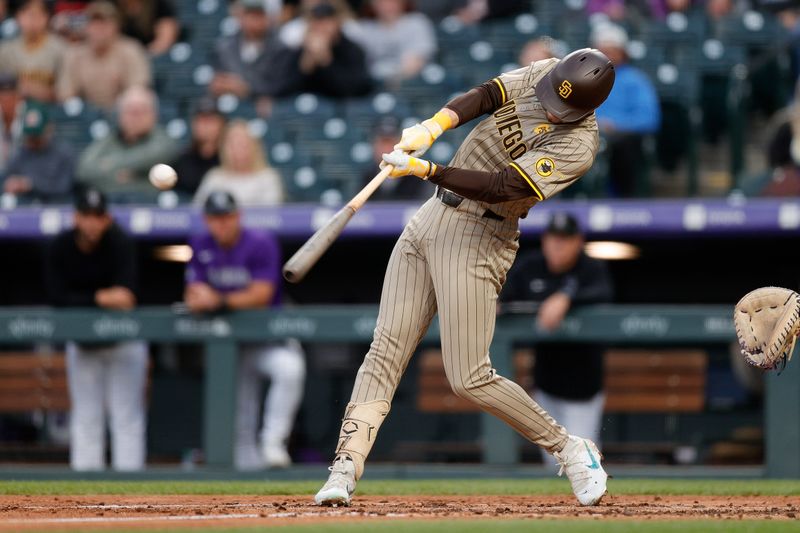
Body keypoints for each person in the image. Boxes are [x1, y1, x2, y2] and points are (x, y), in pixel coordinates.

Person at [314, 48, 616, 507]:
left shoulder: (578, 146)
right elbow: (487, 94)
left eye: (563, 106)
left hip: (481, 234)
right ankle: (345, 467)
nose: (552, 106)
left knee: (469, 376)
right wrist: (434, 126)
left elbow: (503, 187)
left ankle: (571, 448)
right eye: (552, 95)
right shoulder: (543, 72)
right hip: (431, 216)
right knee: (385, 349)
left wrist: (427, 168)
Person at [185, 190, 306, 469]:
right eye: (215, 218)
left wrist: (218, 299)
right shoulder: (200, 244)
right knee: (240, 412)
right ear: (207, 220)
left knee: (290, 370)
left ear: (237, 216)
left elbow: (261, 294)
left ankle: (273, 442)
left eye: (227, 217)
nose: (222, 224)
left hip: (268, 340)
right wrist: (200, 298)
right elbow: (192, 293)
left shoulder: (260, 242)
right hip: (231, 345)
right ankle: (246, 477)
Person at [46, 188, 147, 471]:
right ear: (76, 217)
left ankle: (132, 493)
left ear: (107, 218)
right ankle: (84, 494)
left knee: (126, 417)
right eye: (86, 216)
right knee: (86, 417)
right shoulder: (61, 246)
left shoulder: (120, 241)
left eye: (98, 216)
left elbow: (127, 298)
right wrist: (100, 297)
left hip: (124, 341)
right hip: (82, 344)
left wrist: (85, 298)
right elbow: (57, 297)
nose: (92, 223)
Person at [501, 212, 613, 468]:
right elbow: (504, 292)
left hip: (583, 390)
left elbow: (603, 292)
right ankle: (561, 509)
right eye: (554, 238)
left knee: (585, 461)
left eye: (566, 238)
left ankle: (592, 505)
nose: (558, 244)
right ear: (544, 240)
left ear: (578, 241)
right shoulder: (531, 266)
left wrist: (566, 296)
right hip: (545, 386)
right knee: (555, 466)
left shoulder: (590, 268)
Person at [591, 24, 660, 198]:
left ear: (623, 52)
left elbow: (649, 118)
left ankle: (623, 199)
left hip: (621, 138)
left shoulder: (636, 80)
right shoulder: (583, 79)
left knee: (624, 147)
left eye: (612, 50)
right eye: (602, 50)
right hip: (587, 135)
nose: (607, 55)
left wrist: (616, 125)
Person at [76, 85, 179, 200]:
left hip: (151, 205)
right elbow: (83, 170)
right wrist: (134, 173)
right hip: (110, 204)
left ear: (153, 115)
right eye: (130, 112)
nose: (135, 118)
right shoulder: (109, 140)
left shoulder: (163, 140)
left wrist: (109, 164)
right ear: (120, 115)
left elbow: (163, 154)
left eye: (141, 111)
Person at [56, 1, 151, 110]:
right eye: (94, 23)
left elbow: (138, 89)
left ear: (116, 26)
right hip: (86, 115)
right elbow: (65, 94)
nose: (99, 29)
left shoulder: (131, 50)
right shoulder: (74, 54)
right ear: (86, 27)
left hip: (122, 113)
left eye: (104, 23)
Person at [269, 1, 372, 98]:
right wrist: (304, 67)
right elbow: (280, 90)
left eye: (326, 22)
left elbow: (355, 90)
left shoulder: (352, 50)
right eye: (317, 22)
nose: (321, 28)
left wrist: (327, 62)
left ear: (337, 24)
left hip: (342, 111)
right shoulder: (297, 51)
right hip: (301, 112)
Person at [193, 120, 284, 206]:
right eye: (232, 145)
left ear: (254, 146)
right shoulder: (214, 177)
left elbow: (271, 216)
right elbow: (197, 212)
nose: (237, 150)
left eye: (242, 144)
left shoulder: (268, 178)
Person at [2, 99, 75, 203]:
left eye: (36, 137)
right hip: (24, 207)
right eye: (30, 136)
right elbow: (6, 178)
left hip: (56, 207)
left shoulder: (63, 152)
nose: (32, 141)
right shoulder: (21, 153)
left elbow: (64, 187)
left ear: (49, 129)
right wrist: (10, 184)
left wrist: (30, 184)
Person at [210, 0, 279, 110]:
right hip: (229, 105)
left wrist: (247, 88)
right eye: (250, 14)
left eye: (259, 15)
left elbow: (283, 84)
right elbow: (217, 81)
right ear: (240, 17)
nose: (254, 20)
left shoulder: (280, 47)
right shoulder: (224, 48)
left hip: (264, 106)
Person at [352, 0, 436, 84]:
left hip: (410, 85)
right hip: (372, 84)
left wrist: (396, 79)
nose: (387, 6)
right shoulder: (363, 27)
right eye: (381, 2)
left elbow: (415, 62)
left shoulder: (417, 22)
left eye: (392, 1)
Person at [0, 0, 65, 102]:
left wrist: (31, 89)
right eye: (28, 14)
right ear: (18, 17)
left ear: (46, 18)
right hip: (14, 111)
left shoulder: (61, 49)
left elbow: (65, 95)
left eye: (38, 15)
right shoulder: (5, 50)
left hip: (49, 111)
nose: (32, 20)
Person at [360, 116, 429, 201]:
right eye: (382, 143)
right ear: (374, 145)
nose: (386, 149)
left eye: (391, 143)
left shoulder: (417, 177)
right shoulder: (367, 177)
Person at [171, 97, 226, 198]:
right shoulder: (183, 160)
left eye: (210, 121)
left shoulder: (228, 159)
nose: (205, 126)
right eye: (201, 120)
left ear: (221, 124)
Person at [115, 0, 180, 56]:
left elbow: (165, 39)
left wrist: (142, 56)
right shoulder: (111, 5)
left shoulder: (158, 4)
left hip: (150, 55)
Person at [0, 73, 20, 173]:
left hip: (21, 176)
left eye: (9, 93)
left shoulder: (27, 117)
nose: (5, 99)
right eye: (2, 93)